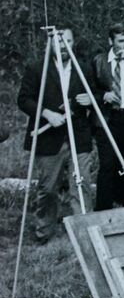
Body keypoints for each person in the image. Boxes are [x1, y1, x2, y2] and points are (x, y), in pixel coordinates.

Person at [17, 28, 95, 243]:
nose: (63, 46)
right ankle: (44, 231)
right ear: (51, 43)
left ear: (73, 43)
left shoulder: (84, 68)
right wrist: (46, 113)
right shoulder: (37, 68)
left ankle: (85, 235)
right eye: (59, 42)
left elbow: (96, 93)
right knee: (48, 188)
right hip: (49, 139)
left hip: (78, 136)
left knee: (81, 184)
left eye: (67, 41)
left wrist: (90, 99)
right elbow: (23, 99)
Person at [91, 23, 124, 210]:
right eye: (121, 41)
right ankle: (103, 209)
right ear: (111, 41)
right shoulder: (98, 61)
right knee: (108, 164)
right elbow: (88, 88)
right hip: (107, 118)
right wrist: (102, 96)